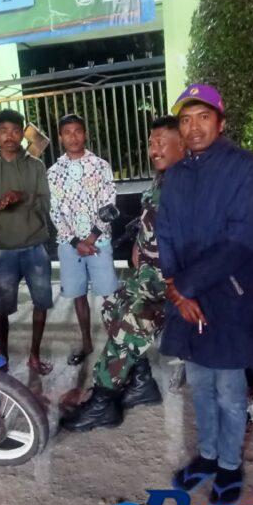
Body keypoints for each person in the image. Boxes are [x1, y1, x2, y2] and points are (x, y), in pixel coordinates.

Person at [157, 84, 253, 505]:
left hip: (233, 295)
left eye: (203, 117)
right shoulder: (176, 175)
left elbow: (241, 239)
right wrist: (175, 287)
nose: (193, 127)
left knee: (229, 390)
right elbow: (165, 232)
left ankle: (230, 465)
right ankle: (209, 456)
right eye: (185, 120)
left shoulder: (246, 168)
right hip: (188, 298)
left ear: (221, 122)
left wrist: (185, 287)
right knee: (199, 383)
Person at [60, 116, 187, 432]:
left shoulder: (187, 184)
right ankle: (141, 382)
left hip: (169, 283)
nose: (154, 149)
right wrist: (138, 245)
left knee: (127, 326)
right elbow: (153, 221)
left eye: (162, 143)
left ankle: (103, 400)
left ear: (182, 144)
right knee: (110, 307)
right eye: (151, 143)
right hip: (148, 274)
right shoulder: (164, 178)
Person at [0, 109, 53, 375]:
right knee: (2, 309)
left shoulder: (36, 166)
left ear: (22, 134)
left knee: (41, 303)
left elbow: (46, 203)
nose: (10, 136)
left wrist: (24, 197)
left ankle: (34, 356)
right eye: (4, 131)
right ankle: (3, 358)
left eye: (15, 131)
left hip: (35, 245)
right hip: (3, 249)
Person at [47, 114, 119, 366]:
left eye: (78, 131)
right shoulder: (53, 173)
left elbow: (109, 204)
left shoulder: (100, 166)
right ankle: (87, 342)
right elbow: (55, 211)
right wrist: (75, 242)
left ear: (85, 134)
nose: (73, 137)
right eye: (67, 132)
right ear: (60, 137)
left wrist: (92, 236)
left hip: (99, 241)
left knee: (109, 295)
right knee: (78, 295)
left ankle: (116, 345)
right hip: (70, 246)